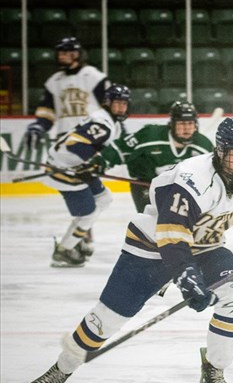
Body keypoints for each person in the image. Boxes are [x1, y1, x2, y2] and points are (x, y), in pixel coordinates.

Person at [25, 118, 233, 383]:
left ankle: (214, 374)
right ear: (219, 152)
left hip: (207, 248)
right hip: (150, 247)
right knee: (106, 320)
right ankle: (63, 367)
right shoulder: (190, 178)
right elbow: (171, 235)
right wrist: (186, 276)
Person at [44, 83, 131, 268]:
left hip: (76, 166)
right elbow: (75, 144)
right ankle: (63, 251)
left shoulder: (109, 121)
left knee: (105, 199)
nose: (121, 107)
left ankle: (76, 239)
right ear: (108, 102)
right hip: (65, 167)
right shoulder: (103, 123)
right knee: (88, 214)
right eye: (117, 103)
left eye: (124, 103)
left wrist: (91, 165)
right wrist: (88, 163)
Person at [100, 101, 213, 212]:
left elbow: (214, 172)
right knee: (151, 220)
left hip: (180, 188)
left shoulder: (203, 145)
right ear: (172, 124)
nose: (186, 128)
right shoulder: (150, 135)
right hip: (145, 184)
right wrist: (99, 162)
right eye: (181, 123)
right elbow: (120, 149)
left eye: (190, 123)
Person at [22, 36, 110, 163]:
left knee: (87, 175)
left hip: (90, 136)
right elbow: (47, 113)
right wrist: (39, 126)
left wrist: (119, 132)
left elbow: (110, 108)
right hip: (64, 137)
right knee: (68, 178)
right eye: (59, 53)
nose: (60, 57)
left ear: (75, 54)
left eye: (64, 53)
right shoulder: (54, 81)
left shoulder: (94, 76)